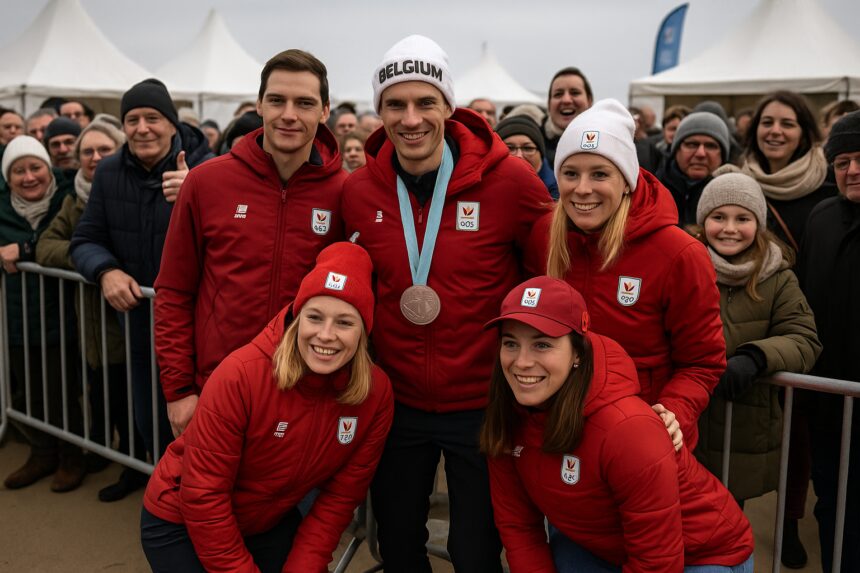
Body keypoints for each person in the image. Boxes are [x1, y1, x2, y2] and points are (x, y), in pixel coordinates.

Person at [341, 34, 551, 572]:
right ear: (379, 111)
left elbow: (556, 275)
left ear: (448, 106)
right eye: (395, 104)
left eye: (425, 102)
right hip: (396, 401)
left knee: (476, 550)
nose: (411, 118)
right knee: (399, 543)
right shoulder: (360, 191)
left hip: (482, 405)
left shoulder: (510, 182)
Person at [141, 241, 394, 573]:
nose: (326, 335)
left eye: (345, 322)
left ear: (364, 332)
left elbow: (339, 499)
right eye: (314, 317)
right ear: (297, 318)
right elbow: (205, 495)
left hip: (267, 522)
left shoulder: (376, 395)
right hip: (181, 520)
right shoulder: (241, 376)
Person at [481, 276, 755, 572]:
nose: (521, 362)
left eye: (542, 345)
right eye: (510, 343)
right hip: (603, 547)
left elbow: (656, 561)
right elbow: (519, 528)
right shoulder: (507, 415)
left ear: (577, 353)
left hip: (702, 555)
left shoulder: (627, 428)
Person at [154, 50, 346, 440]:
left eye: (305, 103)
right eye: (277, 100)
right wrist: (178, 392)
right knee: (206, 500)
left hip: (311, 392)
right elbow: (174, 291)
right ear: (259, 104)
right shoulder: (206, 183)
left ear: (325, 111)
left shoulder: (348, 192)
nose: (289, 114)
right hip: (218, 390)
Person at [527, 99, 725, 451]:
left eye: (600, 174)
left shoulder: (679, 253)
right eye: (571, 174)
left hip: (639, 440)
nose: (583, 189)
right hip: (555, 430)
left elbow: (702, 361)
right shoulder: (544, 235)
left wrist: (673, 411)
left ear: (627, 181)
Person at [70, 78, 213, 462]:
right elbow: (85, 239)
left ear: (172, 123)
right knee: (151, 419)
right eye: (132, 119)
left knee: (205, 425)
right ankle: (166, 503)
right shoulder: (110, 171)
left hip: (199, 328)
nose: (142, 128)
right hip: (140, 325)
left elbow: (241, 241)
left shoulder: (208, 168)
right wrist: (105, 271)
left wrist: (200, 194)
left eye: (153, 117)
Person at [734, 91, 836, 565]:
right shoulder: (733, 182)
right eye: (767, 121)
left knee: (797, 442)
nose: (775, 131)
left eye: (787, 123)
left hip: (800, 333)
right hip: (743, 332)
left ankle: (790, 523)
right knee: (735, 435)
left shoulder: (825, 189)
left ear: (805, 132)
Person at [35, 117, 149, 501]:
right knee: (109, 395)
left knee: (137, 400)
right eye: (88, 151)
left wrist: (110, 263)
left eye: (105, 150)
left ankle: (139, 468)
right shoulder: (74, 200)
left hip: (128, 316)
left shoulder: (133, 191)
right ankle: (121, 460)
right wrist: (93, 262)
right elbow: (46, 246)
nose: (95, 157)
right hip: (92, 322)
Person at [690, 173, 820, 504]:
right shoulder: (684, 265)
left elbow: (804, 338)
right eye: (719, 217)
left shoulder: (779, 279)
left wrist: (756, 357)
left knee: (727, 518)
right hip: (689, 420)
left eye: (742, 218)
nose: (730, 228)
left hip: (745, 428)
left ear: (758, 224)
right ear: (704, 222)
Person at [0, 135, 84, 492]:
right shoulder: (2, 208)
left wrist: (26, 250)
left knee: (63, 390)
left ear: (48, 169)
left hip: (61, 316)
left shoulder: (66, 201)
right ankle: (41, 453)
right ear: (8, 178)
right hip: (17, 320)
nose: (29, 177)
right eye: (18, 171)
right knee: (32, 393)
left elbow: (74, 241)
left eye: (35, 167)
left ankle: (71, 456)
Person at [798, 110, 860, 573]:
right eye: (842, 161)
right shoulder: (820, 218)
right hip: (827, 403)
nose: (852, 170)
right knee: (832, 503)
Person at [655, 111, 731, 225]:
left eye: (711, 146)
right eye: (692, 144)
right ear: (676, 150)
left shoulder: (733, 195)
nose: (701, 153)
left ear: (723, 155)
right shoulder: (653, 190)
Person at [495, 114, 558, 199]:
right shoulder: (481, 190)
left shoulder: (559, 194)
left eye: (528, 148)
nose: (519, 155)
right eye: (509, 148)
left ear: (541, 154)